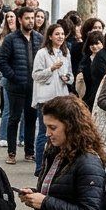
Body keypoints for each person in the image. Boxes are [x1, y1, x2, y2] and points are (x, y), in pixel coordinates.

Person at [0, 7, 36, 165]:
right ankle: (11, 152)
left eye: (32, 18)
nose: (31, 21)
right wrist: (14, 77)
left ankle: (29, 152)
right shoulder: (11, 39)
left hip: (33, 87)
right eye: (27, 18)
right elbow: (2, 62)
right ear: (20, 20)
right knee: (14, 119)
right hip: (16, 87)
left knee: (31, 120)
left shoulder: (38, 38)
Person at [31, 23, 73, 166]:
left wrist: (68, 78)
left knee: (61, 132)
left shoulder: (65, 53)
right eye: (57, 34)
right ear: (50, 36)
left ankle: (55, 164)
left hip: (61, 97)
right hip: (46, 99)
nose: (60, 37)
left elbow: (71, 74)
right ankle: (39, 166)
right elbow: (36, 75)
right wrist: (51, 69)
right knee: (45, 133)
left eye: (62, 34)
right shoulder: (42, 53)